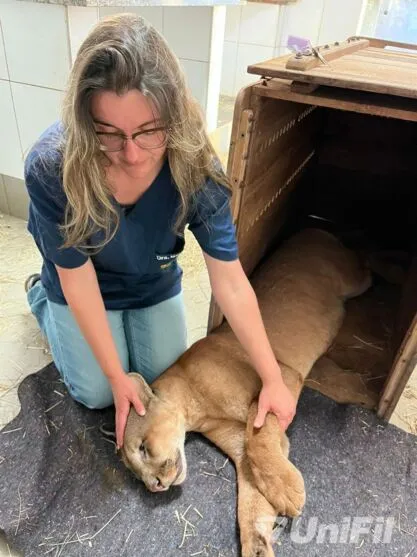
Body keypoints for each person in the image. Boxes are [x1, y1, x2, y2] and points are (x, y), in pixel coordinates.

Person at [24, 14, 296, 449]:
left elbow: (229, 281)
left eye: (149, 131)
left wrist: (272, 378)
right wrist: (115, 377)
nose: (131, 155)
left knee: (159, 380)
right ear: (83, 122)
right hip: (81, 280)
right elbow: (78, 276)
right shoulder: (52, 167)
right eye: (107, 134)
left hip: (152, 279)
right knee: (97, 394)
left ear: (174, 115)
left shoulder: (195, 167)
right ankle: (40, 299)